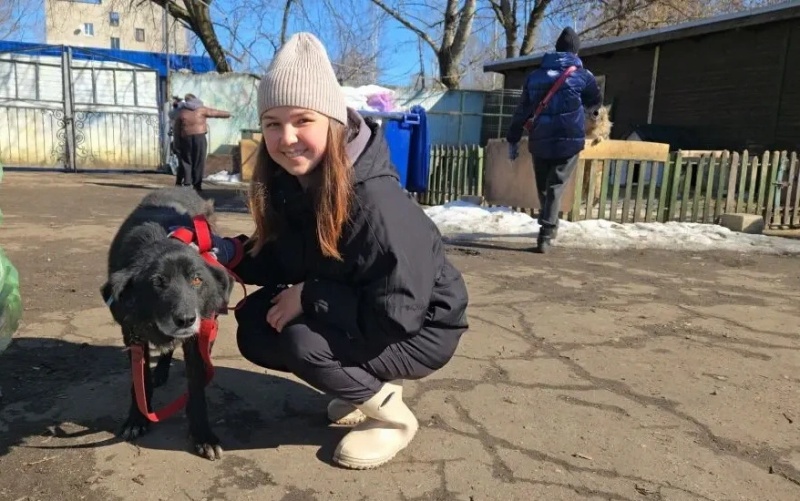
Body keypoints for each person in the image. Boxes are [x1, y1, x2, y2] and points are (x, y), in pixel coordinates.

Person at [204, 32, 469, 469]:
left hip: (422, 327)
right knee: (255, 324)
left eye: (302, 120)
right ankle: (357, 387)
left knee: (300, 339)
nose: (286, 138)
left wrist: (309, 297)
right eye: (272, 123)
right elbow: (286, 255)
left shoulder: (375, 204)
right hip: (365, 308)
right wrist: (226, 252)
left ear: (333, 121)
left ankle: (392, 418)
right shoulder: (298, 184)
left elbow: (398, 312)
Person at [506, 27, 602, 253]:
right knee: (555, 185)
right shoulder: (583, 76)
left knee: (544, 186)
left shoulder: (535, 76)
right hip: (569, 141)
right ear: (575, 52)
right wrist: (591, 111)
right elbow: (595, 101)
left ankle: (548, 228)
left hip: (540, 139)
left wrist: (513, 139)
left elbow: (522, 111)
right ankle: (547, 233)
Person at [174, 94, 231, 193]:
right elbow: (214, 112)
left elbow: (176, 129)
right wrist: (227, 114)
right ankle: (197, 185)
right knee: (199, 161)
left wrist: (176, 143)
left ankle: (187, 183)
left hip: (186, 137)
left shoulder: (182, 111)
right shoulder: (202, 109)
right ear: (196, 99)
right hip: (199, 137)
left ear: (186, 101)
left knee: (187, 161)